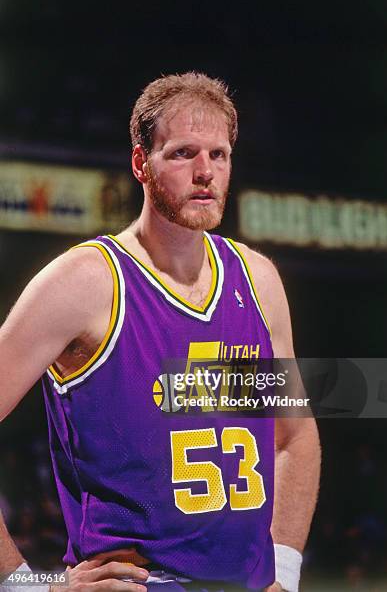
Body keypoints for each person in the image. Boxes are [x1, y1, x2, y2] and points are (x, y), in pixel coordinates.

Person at [0, 72, 320, 591]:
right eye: (182, 153)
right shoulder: (87, 281)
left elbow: (294, 434)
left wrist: (284, 568)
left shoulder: (257, 279)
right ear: (140, 164)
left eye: (219, 155)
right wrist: (27, 585)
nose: (204, 172)